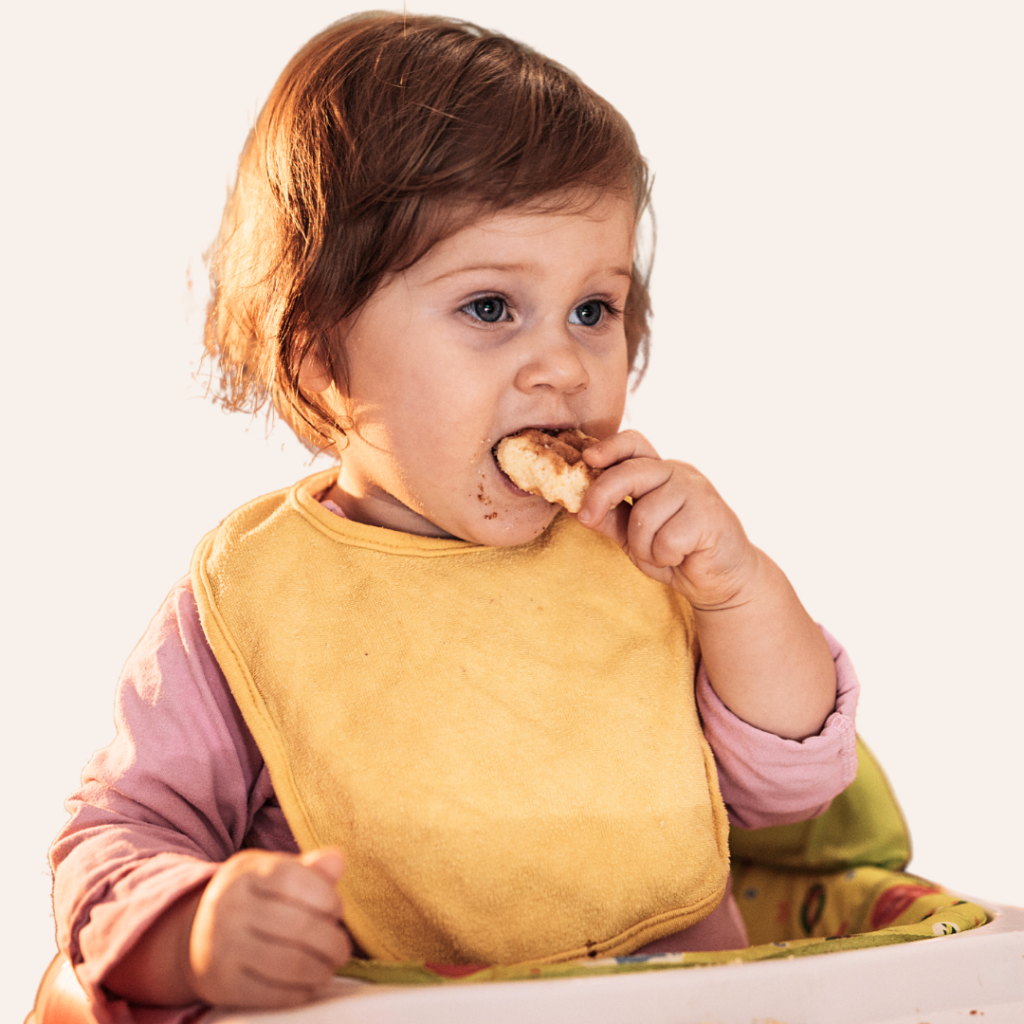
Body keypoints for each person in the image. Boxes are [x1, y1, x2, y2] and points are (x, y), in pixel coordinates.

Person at [49, 13, 859, 1024]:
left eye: (592, 309)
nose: (563, 363)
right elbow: (113, 841)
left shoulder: (638, 551)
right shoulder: (251, 605)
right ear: (320, 357)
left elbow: (794, 788)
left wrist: (737, 590)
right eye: (490, 308)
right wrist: (197, 933)